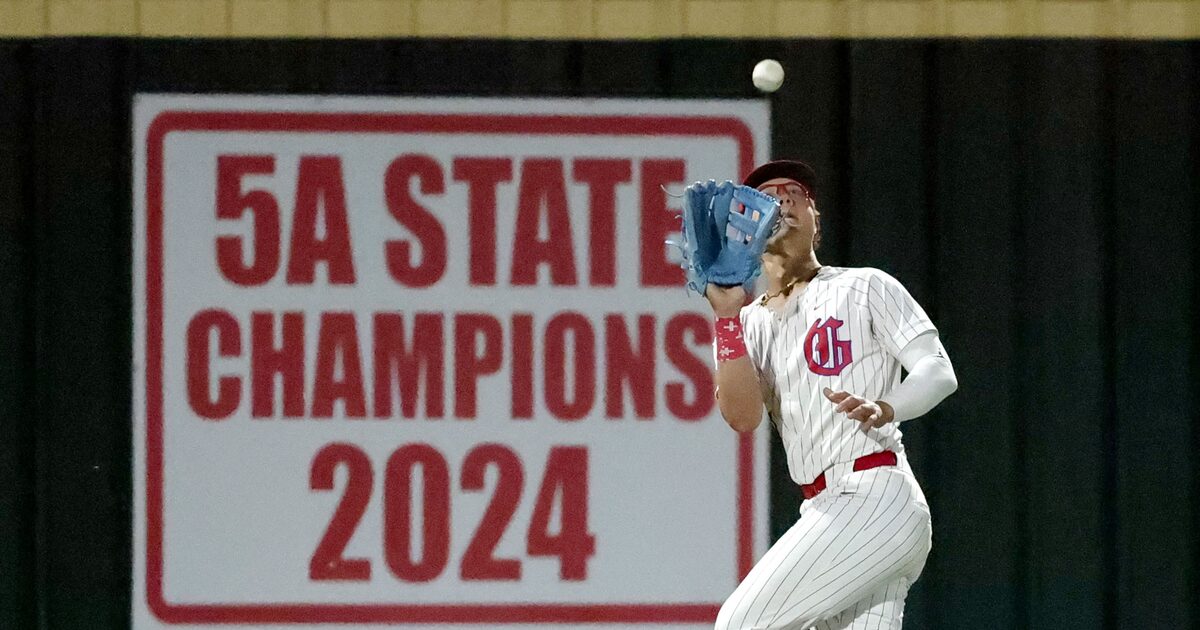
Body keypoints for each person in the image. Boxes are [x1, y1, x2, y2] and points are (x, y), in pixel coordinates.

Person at [710, 160, 958, 630]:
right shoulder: (747, 322)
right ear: (746, 229)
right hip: (825, 508)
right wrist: (725, 319)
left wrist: (888, 406)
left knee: (740, 624)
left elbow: (938, 370)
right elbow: (742, 417)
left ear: (815, 220)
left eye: (794, 193)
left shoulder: (864, 286)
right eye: (767, 196)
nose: (782, 198)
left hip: (875, 495)